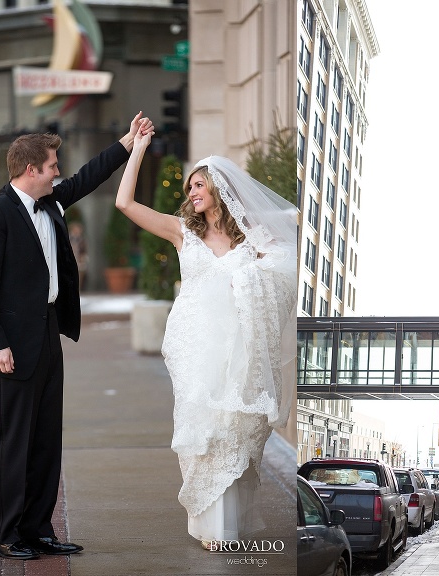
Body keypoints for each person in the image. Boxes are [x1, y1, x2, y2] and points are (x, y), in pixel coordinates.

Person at [0, 112, 153, 561]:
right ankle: (6, 534)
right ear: (31, 170)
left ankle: (38, 529)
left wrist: (127, 142)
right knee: (16, 442)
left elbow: (88, 177)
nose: (58, 172)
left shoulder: (50, 202)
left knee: (47, 439)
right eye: (52, 165)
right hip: (10, 347)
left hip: (48, 334)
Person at [115, 124, 297, 549]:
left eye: (199, 184)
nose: (192, 191)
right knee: (202, 433)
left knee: (232, 431)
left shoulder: (252, 239)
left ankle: (226, 526)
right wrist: (139, 149)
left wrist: (252, 279)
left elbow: (284, 272)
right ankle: (206, 526)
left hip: (239, 352)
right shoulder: (183, 231)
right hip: (195, 348)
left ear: (219, 188)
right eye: (189, 186)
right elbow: (124, 203)